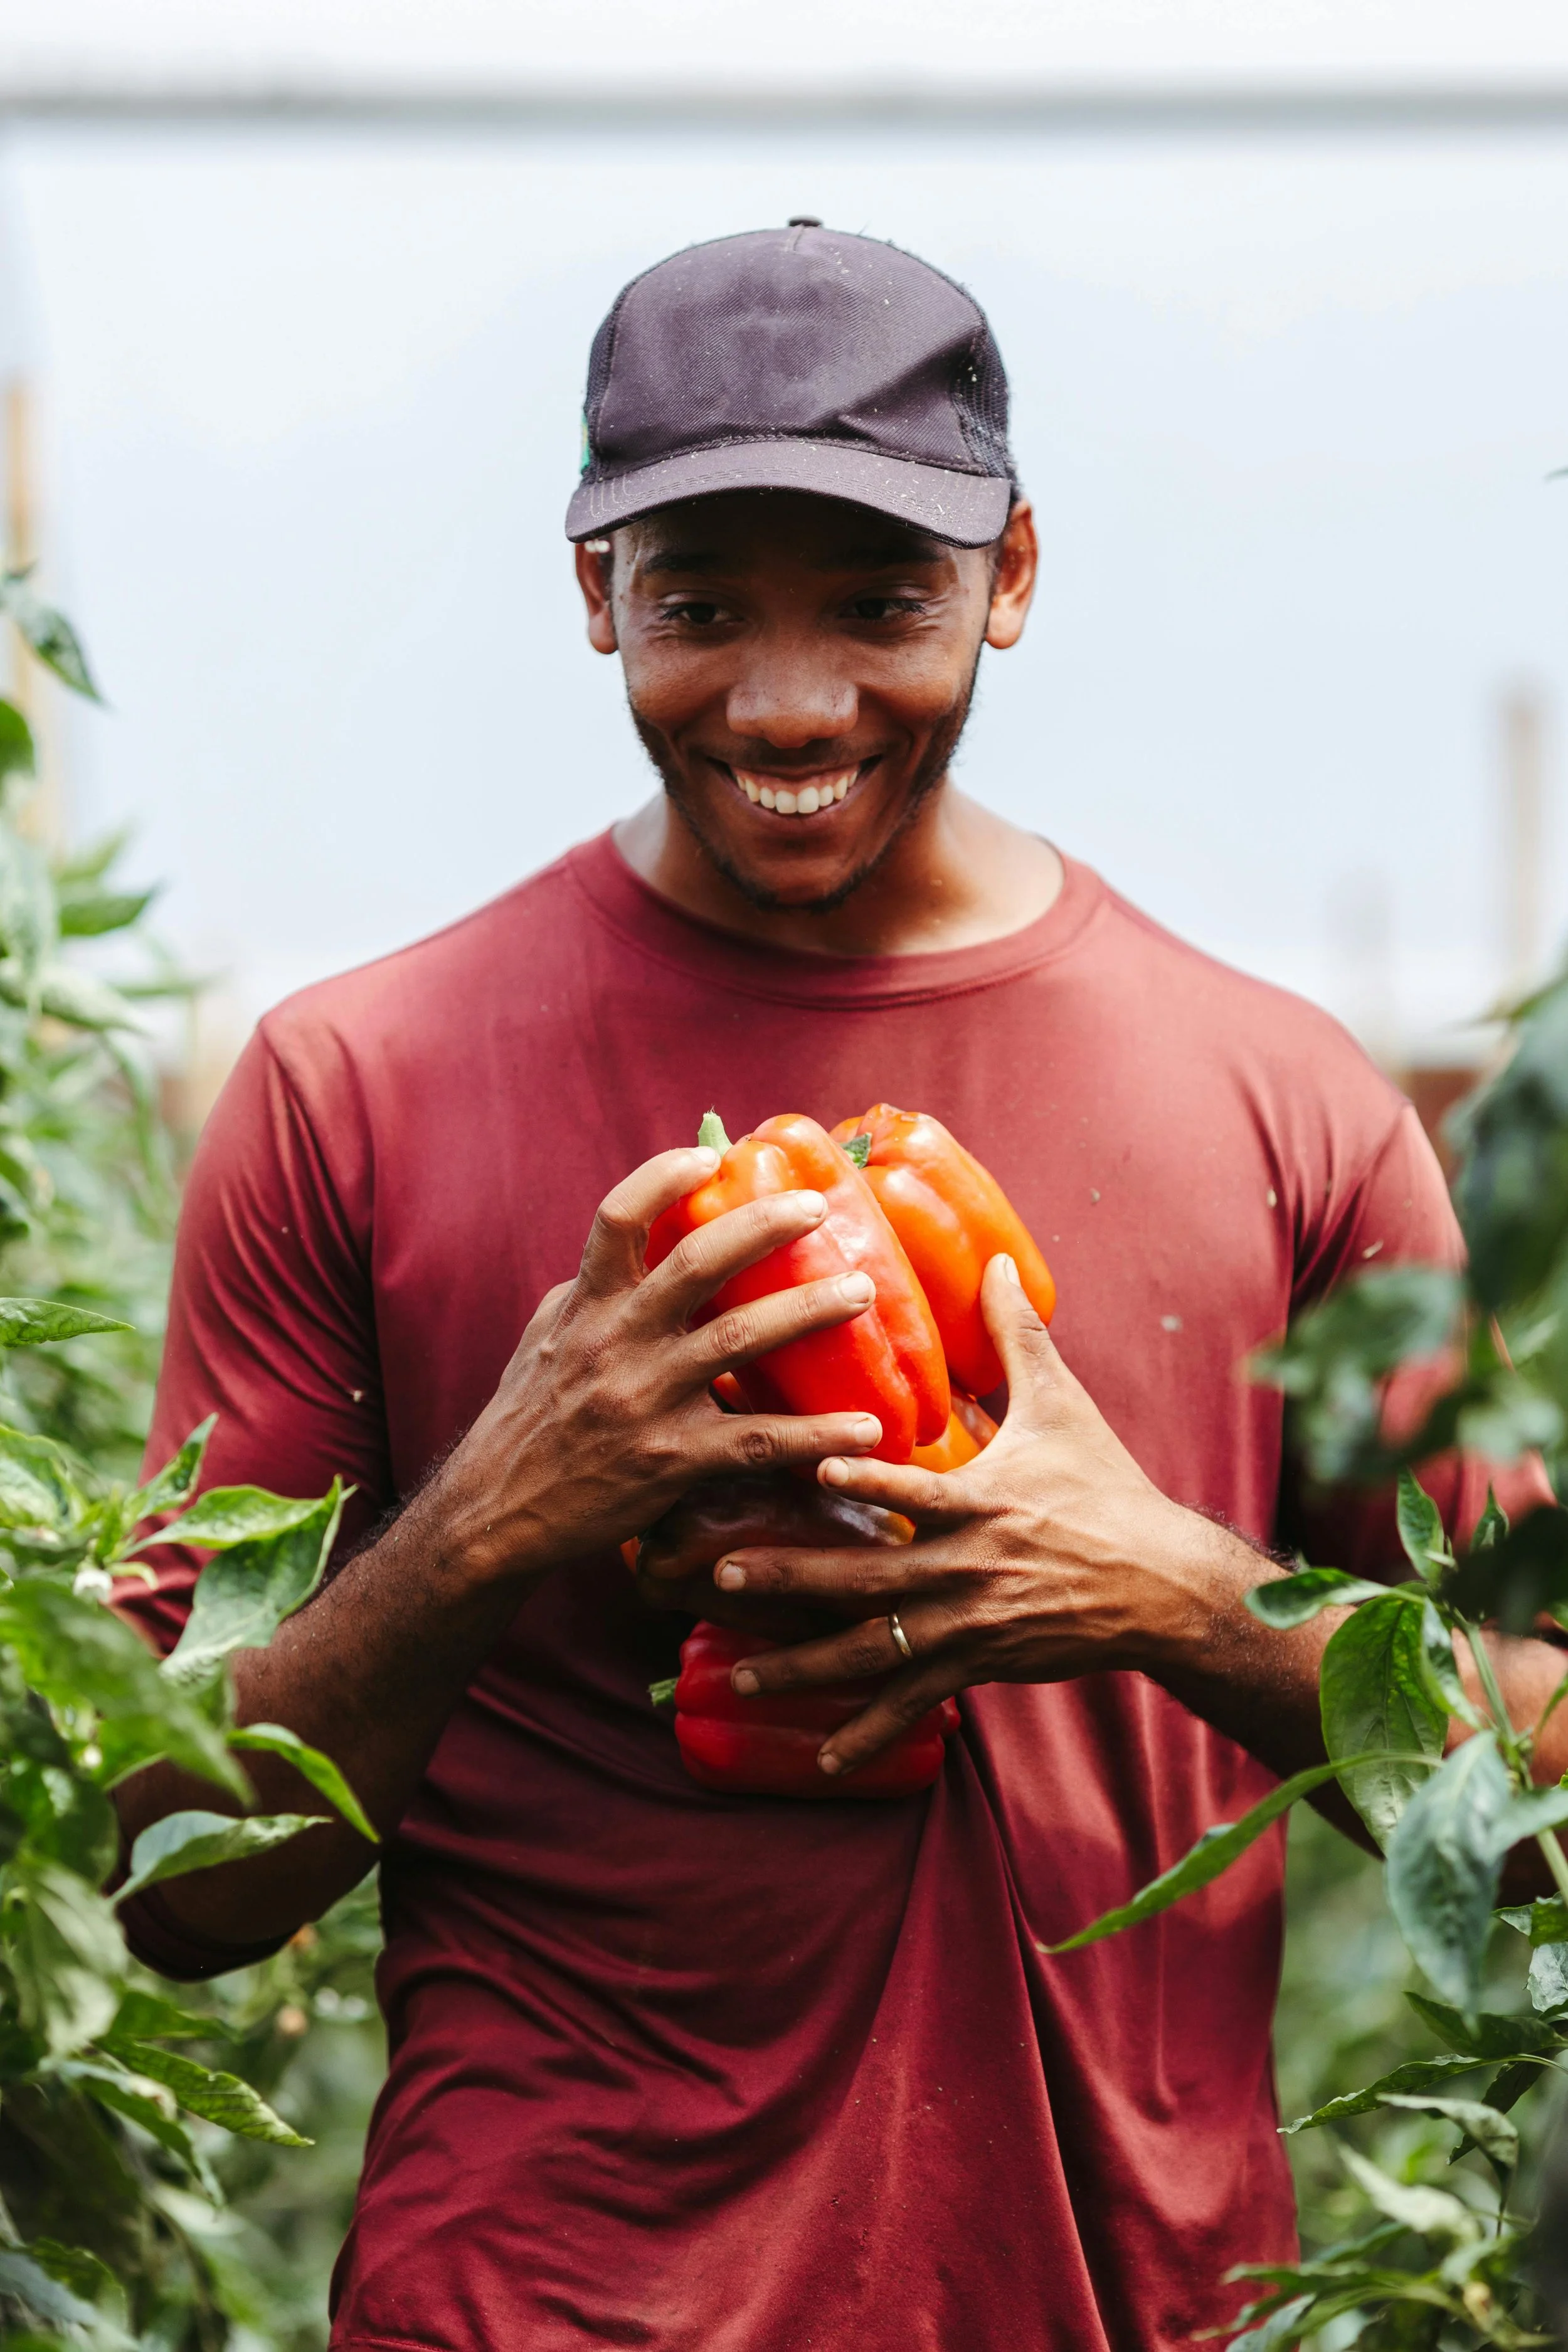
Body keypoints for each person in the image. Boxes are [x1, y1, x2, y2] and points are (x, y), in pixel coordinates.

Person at [115, 223, 1562, 2352]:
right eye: (701, 608)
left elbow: (1540, 1804)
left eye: (882, 604)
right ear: (596, 592)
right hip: (532, 2311)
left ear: (1014, 575)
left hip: (1121, 2304)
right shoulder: (356, 1086)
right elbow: (175, 1888)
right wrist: (512, 1492)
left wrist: (1163, 1587)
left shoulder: (1287, 1107)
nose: (790, 706)